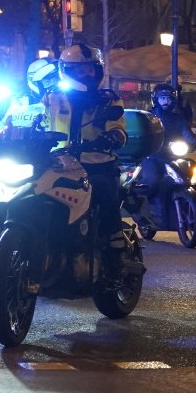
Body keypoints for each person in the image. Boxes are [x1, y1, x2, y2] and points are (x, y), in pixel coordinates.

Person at [34, 42, 133, 271]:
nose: (87, 74)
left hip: (97, 163)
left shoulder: (108, 99)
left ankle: (116, 250)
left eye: (90, 69)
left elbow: (118, 127)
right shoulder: (52, 97)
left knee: (104, 192)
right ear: (67, 71)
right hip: (58, 162)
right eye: (80, 70)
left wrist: (112, 138)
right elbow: (37, 119)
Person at [150, 83, 196, 152]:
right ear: (156, 99)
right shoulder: (149, 116)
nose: (166, 101)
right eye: (163, 98)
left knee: (188, 162)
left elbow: (185, 131)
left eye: (169, 98)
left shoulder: (177, 118)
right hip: (153, 153)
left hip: (173, 152)